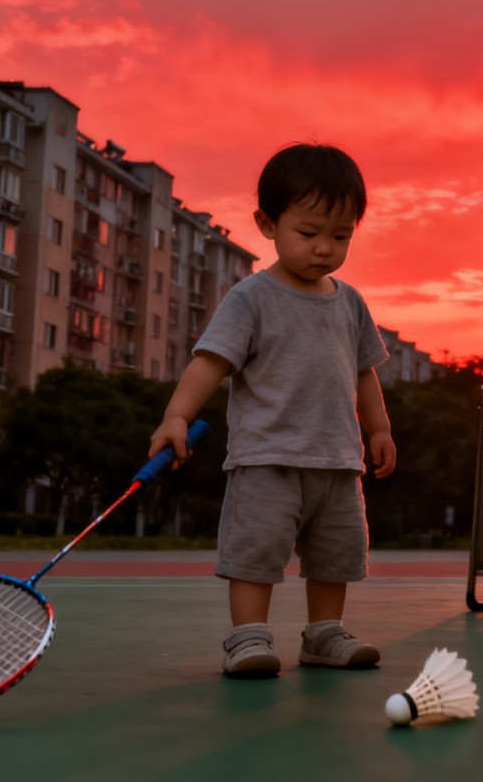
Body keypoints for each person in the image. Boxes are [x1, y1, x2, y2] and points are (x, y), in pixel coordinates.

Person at [149, 143, 397, 679]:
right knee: (255, 552)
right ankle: (248, 638)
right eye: (308, 234)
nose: (324, 249)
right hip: (266, 458)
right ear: (267, 223)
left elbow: (363, 373)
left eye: (340, 236)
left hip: (337, 460)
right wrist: (175, 416)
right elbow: (209, 364)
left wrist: (378, 427)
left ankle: (324, 634)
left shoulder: (350, 302)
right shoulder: (251, 298)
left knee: (337, 554)